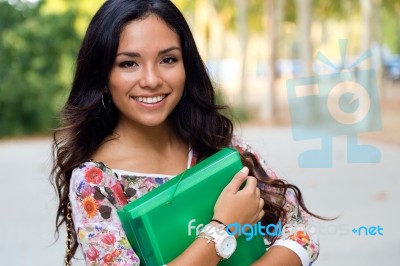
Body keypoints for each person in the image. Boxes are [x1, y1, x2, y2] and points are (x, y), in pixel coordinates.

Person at [51, 0, 322, 265]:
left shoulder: (218, 144)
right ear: (103, 76)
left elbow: (302, 232)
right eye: (128, 63)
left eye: (168, 59)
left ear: (186, 67)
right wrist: (222, 228)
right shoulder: (95, 181)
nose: (152, 80)